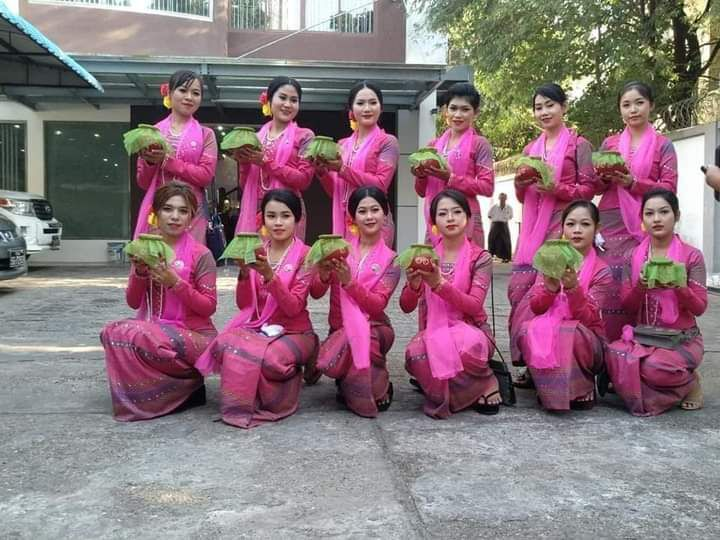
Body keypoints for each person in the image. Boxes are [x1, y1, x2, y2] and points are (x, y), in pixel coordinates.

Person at [195, 189, 318, 428]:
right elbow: (245, 305)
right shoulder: (256, 250)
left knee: (269, 360)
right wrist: (243, 273)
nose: (278, 222)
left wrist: (270, 276)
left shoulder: (307, 255)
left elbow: (293, 308)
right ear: (263, 219)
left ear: (297, 219)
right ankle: (245, 401)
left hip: (295, 331)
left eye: (285, 216)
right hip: (258, 327)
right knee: (224, 345)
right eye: (272, 216)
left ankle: (280, 395)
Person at [100, 182, 217, 421]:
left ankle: (185, 386)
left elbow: (208, 306)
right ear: (155, 213)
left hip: (196, 336)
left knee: (140, 335)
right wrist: (140, 273)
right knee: (112, 333)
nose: (175, 216)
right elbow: (133, 302)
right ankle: (171, 392)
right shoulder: (145, 248)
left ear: (191, 217)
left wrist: (175, 282)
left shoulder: (201, 254)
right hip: (154, 330)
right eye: (168, 209)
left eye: (183, 211)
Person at [508, 83, 596, 376]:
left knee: (549, 290)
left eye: (550, 105)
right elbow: (523, 197)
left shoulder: (579, 145)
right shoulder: (530, 149)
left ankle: (551, 363)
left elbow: (589, 189)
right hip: (531, 230)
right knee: (519, 291)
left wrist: (556, 189)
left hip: (561, 228)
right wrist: (521, 185)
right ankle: (529, 362)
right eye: (538, 107)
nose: (544, 112)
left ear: (564, 107)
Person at [604, 189, 706, 416]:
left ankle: (690, 382)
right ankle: (665, 383)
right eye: (649, 214)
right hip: (645, 336)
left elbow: (700, 307)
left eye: (664, 212)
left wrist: (680, 288)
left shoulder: (692, 256)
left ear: (676, 215)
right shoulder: (633, 256)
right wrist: (640, 286)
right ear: (642, 220)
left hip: (681, 340)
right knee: (614, 356)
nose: (657, 219)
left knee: (654, 368)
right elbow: (628, 307)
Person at [401, 189, 500, 419]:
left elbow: (474, 306)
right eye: (443, 214)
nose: (451, 218)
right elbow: (406, 306)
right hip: (434, 331)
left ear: (467, 218)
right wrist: (413, 285)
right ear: (434, 222)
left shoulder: (481, 258)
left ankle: (485, 382)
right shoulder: (425, 256)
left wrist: (438, 284)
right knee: (414, 354)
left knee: (465, 347)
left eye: (457, 212)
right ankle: (468, 389)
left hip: (472, 331)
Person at [596, 81, 678, 342]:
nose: (633, 110)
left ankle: (639, 352)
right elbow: (594, 186)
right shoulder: (610, 143)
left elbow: (669, 188)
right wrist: (604, 176)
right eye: (626, 104)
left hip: (646, 223)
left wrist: (634, 183)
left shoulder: (663, 145)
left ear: (651, 105)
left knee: (641, 283)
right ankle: (609, 357)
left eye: (639, 103)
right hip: (610, 222)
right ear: (620, 109)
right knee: (609, 286)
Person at [310, 186, 400, 417]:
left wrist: (349, 282)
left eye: (375, 210)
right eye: (362, 211)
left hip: (377, 327)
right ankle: (355, 382)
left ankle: (376, 389)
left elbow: (377, 305)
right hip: (339, 328)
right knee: (348, 339)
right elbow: (317, 292)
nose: (369, 216)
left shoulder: (392, 260)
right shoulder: (338, 251)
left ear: (385, 214)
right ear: (353, 217)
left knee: (364, 335)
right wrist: (321, 273)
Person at [515, 200, 612, 411]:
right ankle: (549, 388)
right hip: (551, 328)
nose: (577, 230)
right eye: (571, 224)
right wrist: (549, 289)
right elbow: (537, 308)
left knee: (569, 331)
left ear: (597, 228)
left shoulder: (602, 271)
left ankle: (582, 387)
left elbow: (589, 318)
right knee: (527, 329)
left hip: (587, 339)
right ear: (562, 228)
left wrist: (573, 289)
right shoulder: (550, 262)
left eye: (585, 224)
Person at [135, 70, 218, 243]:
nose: (189, 97)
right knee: (157, 263)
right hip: (158, 212)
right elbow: (143, 182)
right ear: (169, 93)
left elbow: (205, 176)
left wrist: (166, 161)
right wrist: (150, 162)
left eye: (195, 93)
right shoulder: (152, 133)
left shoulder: (206, 134)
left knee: (189, 264)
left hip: (191, 214)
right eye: (182, 90)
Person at [316, 81, 399, 246]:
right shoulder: (342, 145)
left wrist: (342, 169)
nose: (367, 108)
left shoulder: (387, 142)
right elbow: (336, 191)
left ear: (381, 108)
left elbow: (381, 184)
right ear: (351, 110)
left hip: (373, 220)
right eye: (360, 103)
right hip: (344, 219)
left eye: (373, 103)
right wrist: (322, 173)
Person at [413, 82, 494, 248]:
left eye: (465, 109)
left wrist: (450, 178)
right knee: (433, 270)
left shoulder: (479, 144)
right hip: (437, 219)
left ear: (475, 112)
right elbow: (422, 192)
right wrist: (420, 174)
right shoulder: (432, 146)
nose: (458, 114)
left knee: (469, 268)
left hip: (466, 218)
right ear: (445, 111)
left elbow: (487, 187)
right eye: (453, 108)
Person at [234, 77, 315, 241]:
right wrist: (244, 162)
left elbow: (304, 180)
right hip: (257, 210)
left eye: (294, 100)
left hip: (288, 211)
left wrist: (265, 162)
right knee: (255, 262)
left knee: (287, 261)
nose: (288, 104)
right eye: (282, 97)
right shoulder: (256, 138)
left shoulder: (305, 136)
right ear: (269, 100)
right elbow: (245, 184)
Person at [487, 193, 513, 262]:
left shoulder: (509, 207)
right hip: (495, 224)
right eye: (501, 198)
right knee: (492, 240)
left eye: (504, 198)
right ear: (499, 198)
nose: (502, 199)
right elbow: (489, 215)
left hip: (504, 224)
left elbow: (510, 216)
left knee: (505, 241)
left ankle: (506, 257)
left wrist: (504, 218)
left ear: (506, 198)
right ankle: (491, 256)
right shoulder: (494, 207)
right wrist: (496, 219)